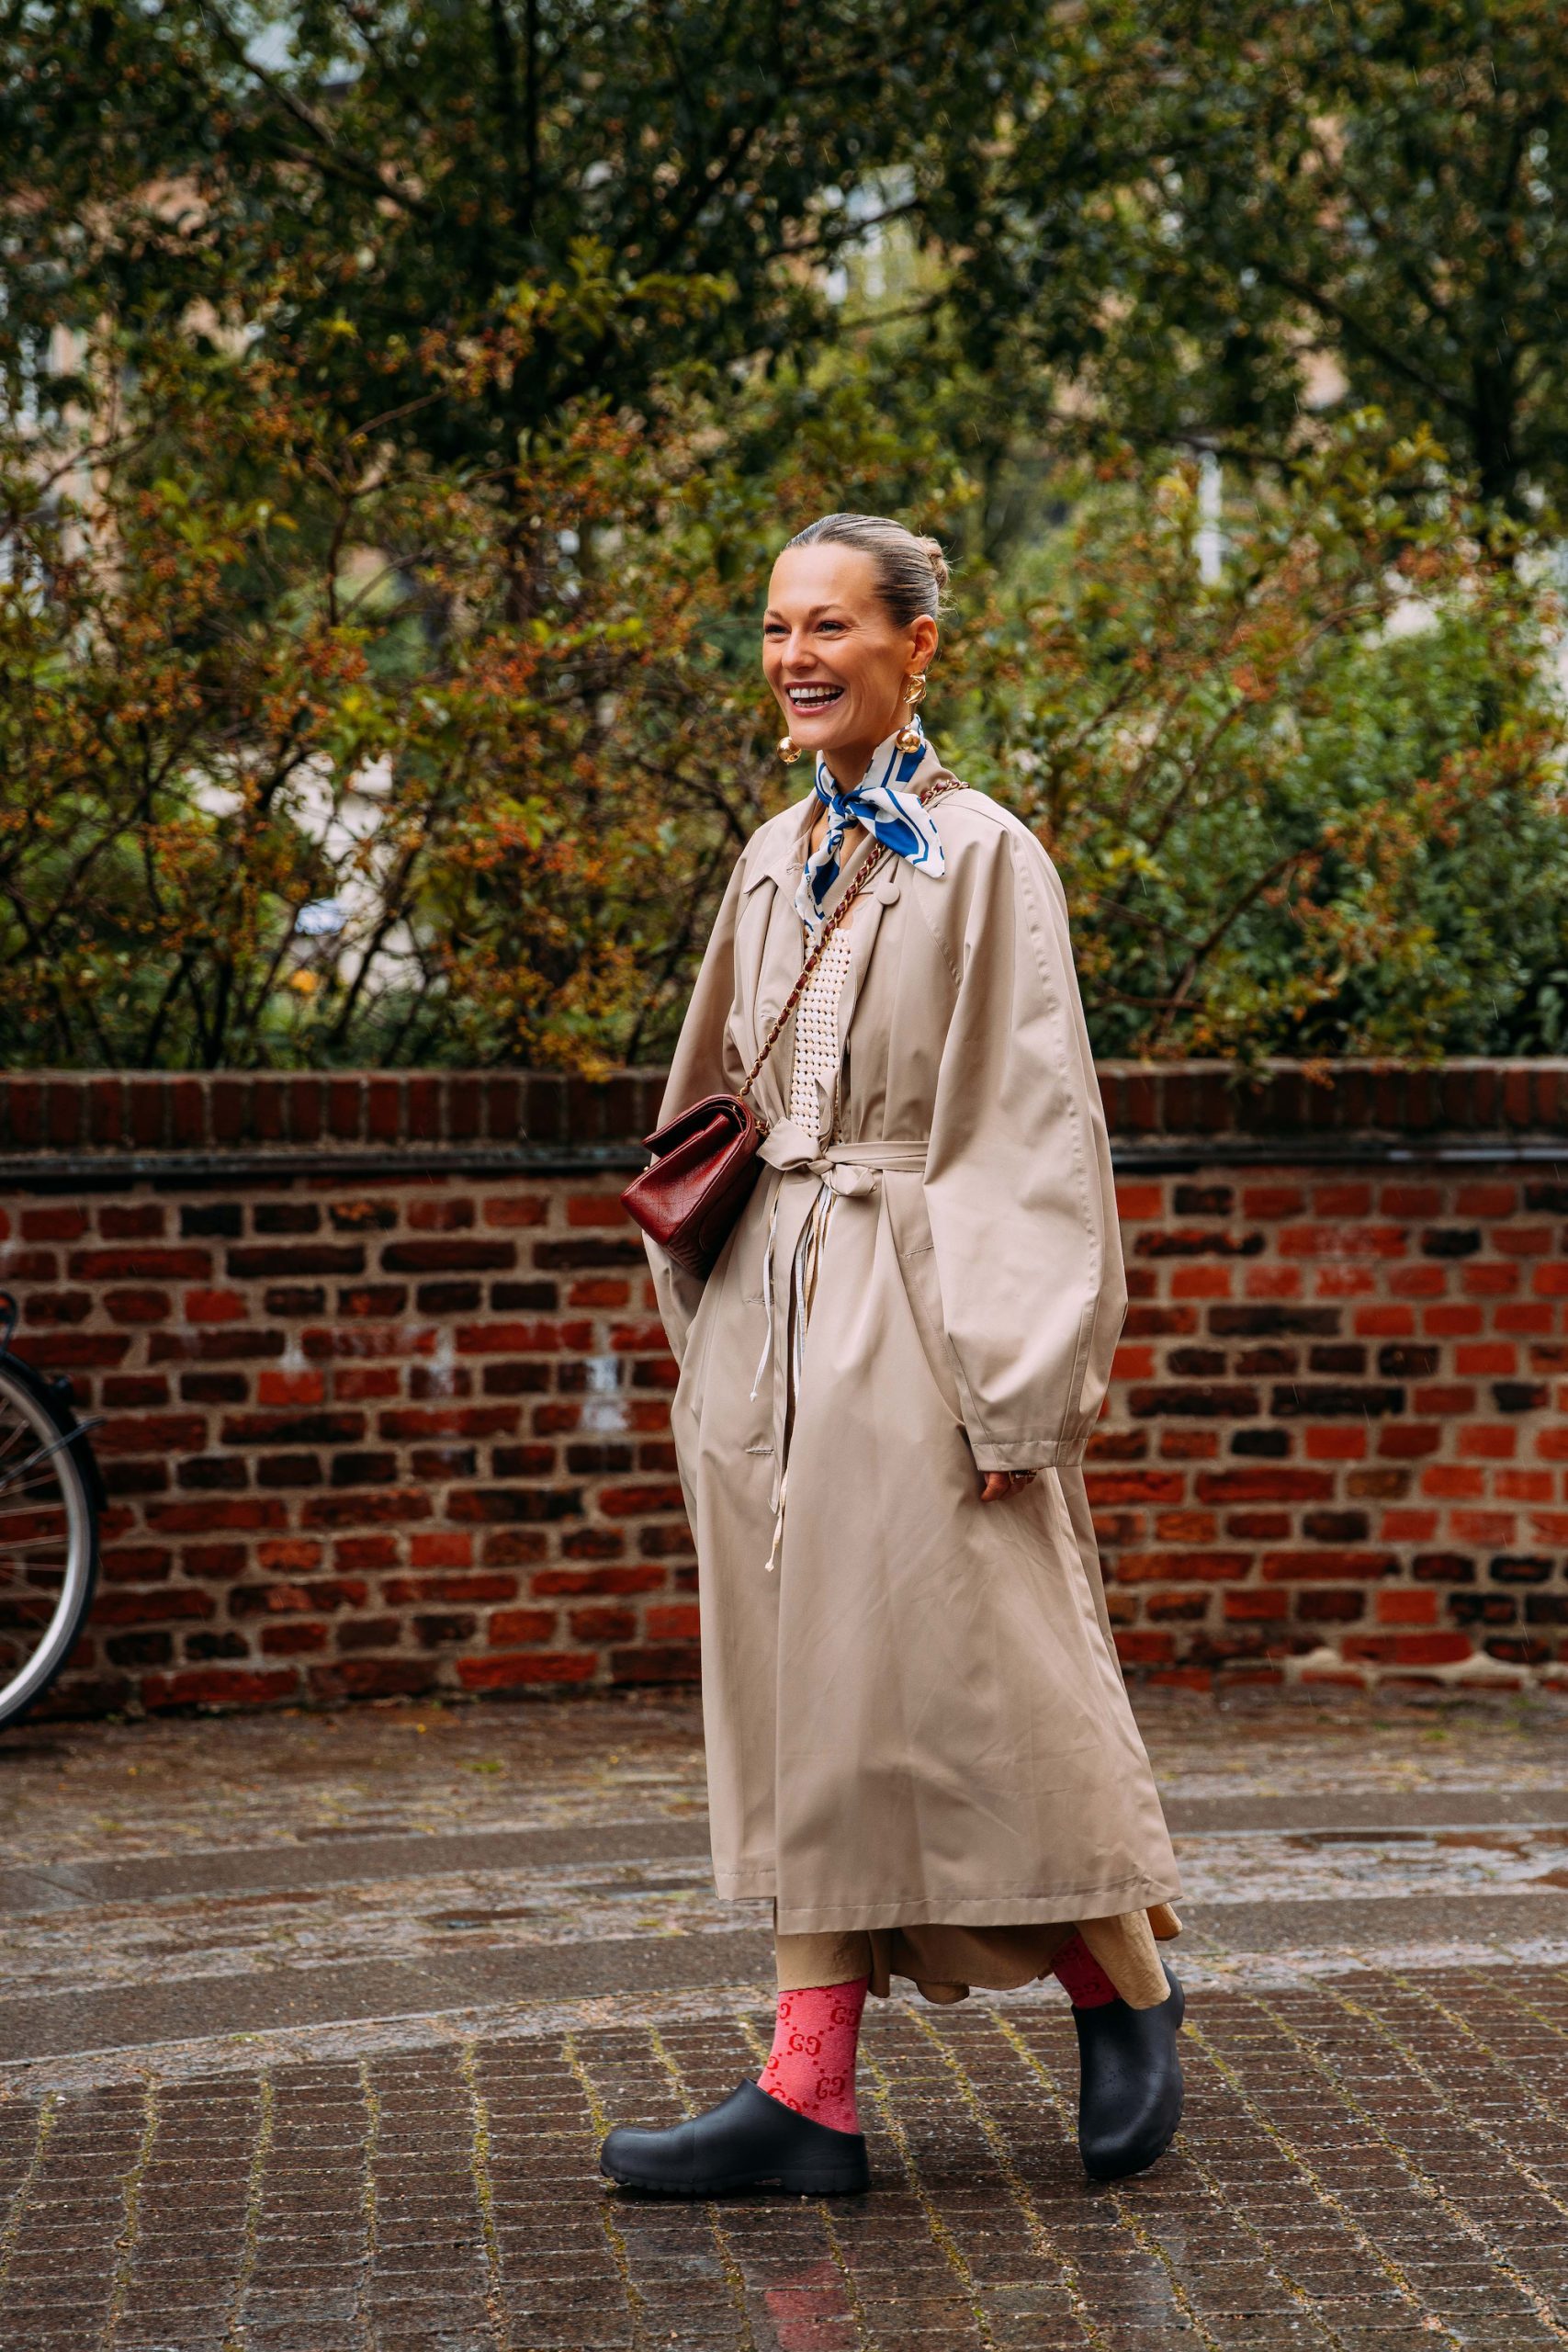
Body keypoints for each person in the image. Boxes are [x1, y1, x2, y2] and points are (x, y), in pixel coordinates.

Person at [600, 513, 1185, 2199]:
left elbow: (1032, 1130)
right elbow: (706, 1098)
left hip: (920, 1317)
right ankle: (810, 2093)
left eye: (833, 625)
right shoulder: (772, 858)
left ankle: (1124, 1986)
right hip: (768, 1332)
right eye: (777, 626)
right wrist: (704, 1335)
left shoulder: (986, 854)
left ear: (917, 645)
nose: (796, 655)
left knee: (982, 1692)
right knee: (809, 1718)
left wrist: (1017, 1382)